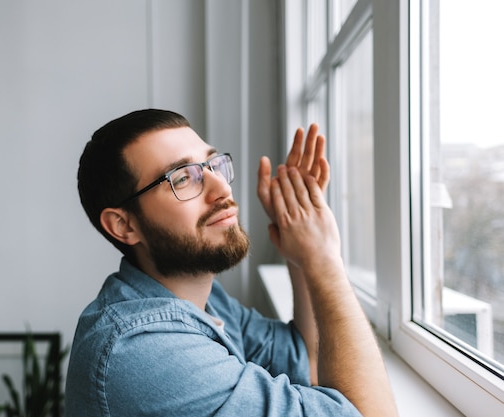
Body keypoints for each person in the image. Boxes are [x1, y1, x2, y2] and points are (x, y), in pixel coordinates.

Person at [65, 109, 399, 417]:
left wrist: (304, 256)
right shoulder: (142, 350)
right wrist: (324, 258)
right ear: (125, 225)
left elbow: (305, 358)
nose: (222, 187)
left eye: (213, 165)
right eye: (182, 178)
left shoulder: (203, 299)